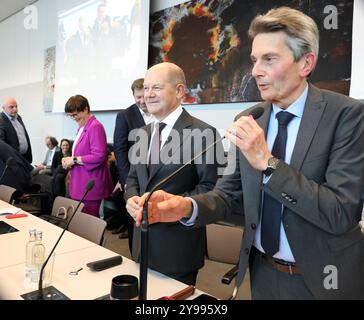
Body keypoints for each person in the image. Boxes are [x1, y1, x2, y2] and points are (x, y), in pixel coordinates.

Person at [135, 7, 364, 299]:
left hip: (325, 278)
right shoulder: (251, 117)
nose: (255, 70)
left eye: (269, 59)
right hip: (263, 273)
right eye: (255, 60)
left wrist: (268, 165)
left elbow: (340, 213)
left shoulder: (347, 115)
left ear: (305, 63)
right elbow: (226, 196)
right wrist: (185, 207)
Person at [124, 62, 223, 285]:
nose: (147, 95)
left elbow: (210, 189)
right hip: (141, 243)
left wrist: (174, 205)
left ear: (179, 91)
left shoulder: (204, 133)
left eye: (156, 88)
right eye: (146, 88)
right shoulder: (142, 133)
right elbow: (132, 180)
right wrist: (130, 198)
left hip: (177, 248)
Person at [113, 78, 152, 248]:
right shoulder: (125, 116)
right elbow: (120, 151)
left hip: (156, 176)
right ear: (133, 96)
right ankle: (135, 257)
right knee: (133, 222)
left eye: (144, 96)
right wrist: (126, 181)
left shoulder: (159, 111)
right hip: (134, 179)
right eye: (138, 97)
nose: (142, 101)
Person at [62, 95, 113, 217]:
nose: (74, 118)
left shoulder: (95, 126)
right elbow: (81, 152)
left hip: (90, 184)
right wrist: (68, 160)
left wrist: (73, 160)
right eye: (71, 116)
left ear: (85, 109)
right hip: (81, 181)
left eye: (75, 115)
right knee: (82, 223)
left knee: (89, 226)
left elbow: (99, 156)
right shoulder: (82, 126)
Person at [0, 97, 32, 163]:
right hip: (13, 160)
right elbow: (1, 144)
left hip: (24, 157)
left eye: (16, 106)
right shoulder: (1, 120)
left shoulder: (18, 117)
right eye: (11, 107)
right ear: (3, 108)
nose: (15, 109)